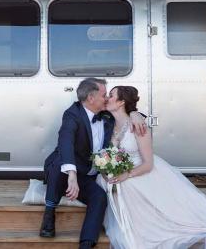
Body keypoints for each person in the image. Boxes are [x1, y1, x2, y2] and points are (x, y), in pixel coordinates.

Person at [97, 86, 206, 249]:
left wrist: (128, 174)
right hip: (120, 170)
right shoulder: (107, 121)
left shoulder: (139, 126)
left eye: (111, 96)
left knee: (126, 185)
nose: (106, 98)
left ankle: (143, 227)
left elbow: (148, 164)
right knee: (105, 182)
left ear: (121, 102)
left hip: (140, 170)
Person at [40, 78, 147, 249]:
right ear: (91, 98)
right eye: (104, 94)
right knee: (59, 162)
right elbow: (65, 141)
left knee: (99, 196)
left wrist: (136, 114)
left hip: (88, 174)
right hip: (64, 170)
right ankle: (49, 212)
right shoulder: (72, 114)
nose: (107, 98)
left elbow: (127, 112)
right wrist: (72, 175)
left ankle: (87, 242)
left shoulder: (106, 112)